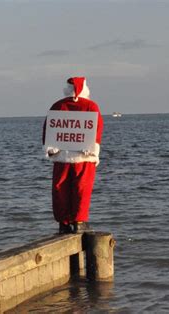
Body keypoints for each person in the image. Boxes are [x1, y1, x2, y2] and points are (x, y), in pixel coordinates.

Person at [42, 77, 104, 234]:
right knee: (82, 188)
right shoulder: (91, 106)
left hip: (62, 156)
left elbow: (48, 127)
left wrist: (50, 148)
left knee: (60, 189)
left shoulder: (58, 105)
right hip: (83, 157)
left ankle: (63, 223)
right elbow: (97, 128)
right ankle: (79, 222)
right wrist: (92, 148)